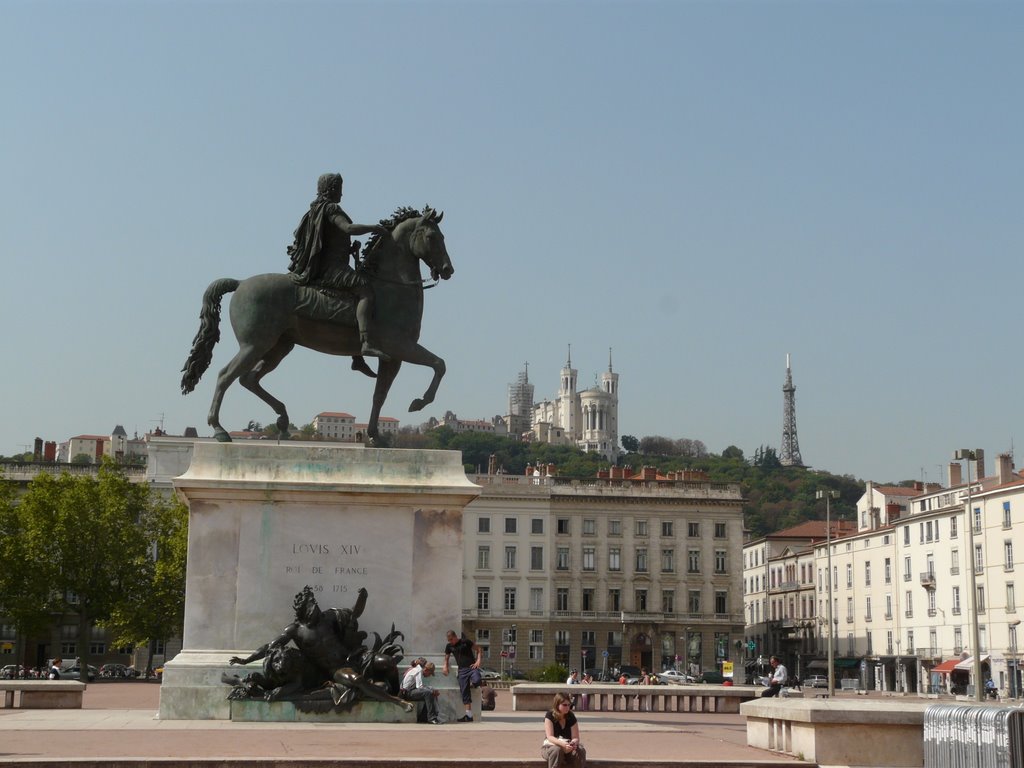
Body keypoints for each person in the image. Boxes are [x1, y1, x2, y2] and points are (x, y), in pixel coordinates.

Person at [286, 172, 390, 364]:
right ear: (332, 189)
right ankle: (366, 342)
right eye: (340, 189)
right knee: (366, 291)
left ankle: (357, 359)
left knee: (351, 298)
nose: (341, 194)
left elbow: (327, 240)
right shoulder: (331, 208)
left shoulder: (314, 210)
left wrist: (349, 248)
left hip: (325, 264)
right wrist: (374, 228)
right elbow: (348, 229)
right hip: (331, 268)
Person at [443, 629, 483, 722]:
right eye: (449, 640)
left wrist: (478, 661)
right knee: (464, 691)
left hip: (472, 667)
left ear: (455, 637)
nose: (451, 642)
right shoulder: (449, 646)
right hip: (462, 670)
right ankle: (469, 715)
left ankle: (473, 683)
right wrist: (445, 666)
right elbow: (446, 657)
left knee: (477, 680)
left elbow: (479, 649)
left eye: (452, 640)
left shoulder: (465, 642)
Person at [542, 691, 587, 768]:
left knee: (580, 750)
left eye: (569, 705)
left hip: (568, 748)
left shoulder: (571, 716)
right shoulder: (549, 715)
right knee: (557, 750)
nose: (567, 707)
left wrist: (572, 744)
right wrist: (563, 745)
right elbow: (550, 737)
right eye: (564, 705)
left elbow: (576, 737)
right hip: (551, 747)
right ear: (557, 704)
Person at [401, 658, 441, 724]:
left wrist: (432, 690)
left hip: (411, 691)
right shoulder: (418, 670)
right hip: (406, 693)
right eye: (430, 673)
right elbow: (419, 687)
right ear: (426, 670)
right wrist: (431, 691)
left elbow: (419, 687)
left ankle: (424, 717)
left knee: (431, 691)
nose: (429, 676)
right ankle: (432, 718)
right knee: (429, 692)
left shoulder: (418, 669)